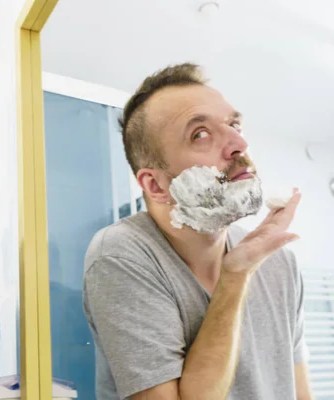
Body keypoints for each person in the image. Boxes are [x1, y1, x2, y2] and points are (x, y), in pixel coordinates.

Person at [83, 63, 312, 400]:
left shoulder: (280, 263)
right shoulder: (120, 254)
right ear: (156, 184)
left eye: (234, 124)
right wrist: (236, 276)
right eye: (200, 134)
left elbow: (299, 392)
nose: (239, 143)